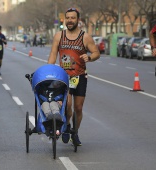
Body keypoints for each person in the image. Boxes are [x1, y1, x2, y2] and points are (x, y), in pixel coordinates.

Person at [48, 8, 100, 146]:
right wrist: (48, 69)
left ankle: (75, 132)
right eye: (68, 18)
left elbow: (96, 53)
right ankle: (66, 126)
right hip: (63, 76)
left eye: (73, 18)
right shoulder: (59, 36)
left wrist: (89, 57)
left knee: (78, 107)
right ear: (65, 20)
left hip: (80, 76)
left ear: (78, 20)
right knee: (67, 104)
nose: (70, 20)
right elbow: (53, 54)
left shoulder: (85, 37)